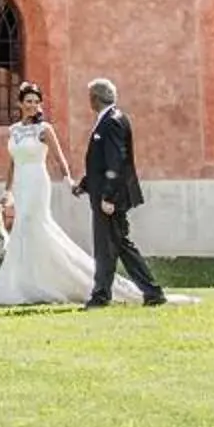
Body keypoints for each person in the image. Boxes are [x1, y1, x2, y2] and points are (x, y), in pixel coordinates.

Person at [0, 80, 142, 307]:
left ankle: (71, 280)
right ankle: (21, 284)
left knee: (33, 224)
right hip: (21, 184)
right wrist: (7, 191)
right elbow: (12, 163)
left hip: (38, 183)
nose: (32, 105)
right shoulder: (14, 130)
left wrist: (70, 181)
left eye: (36, 102)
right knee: (22, 229)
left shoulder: (44, 129)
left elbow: (59, 159)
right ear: (20, 103)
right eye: (28, 101)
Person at [72, 76, 174, 308]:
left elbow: (116, 161)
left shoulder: (112, 121)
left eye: (89, 97)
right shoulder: (108, 120)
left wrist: (108, 196)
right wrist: (85, 184)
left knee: (116, 245)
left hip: (111, 198)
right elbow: (101, 162)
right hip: (103, 195)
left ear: (95, 99)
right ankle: (105, 294)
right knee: (110, 246)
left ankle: (149, 291)